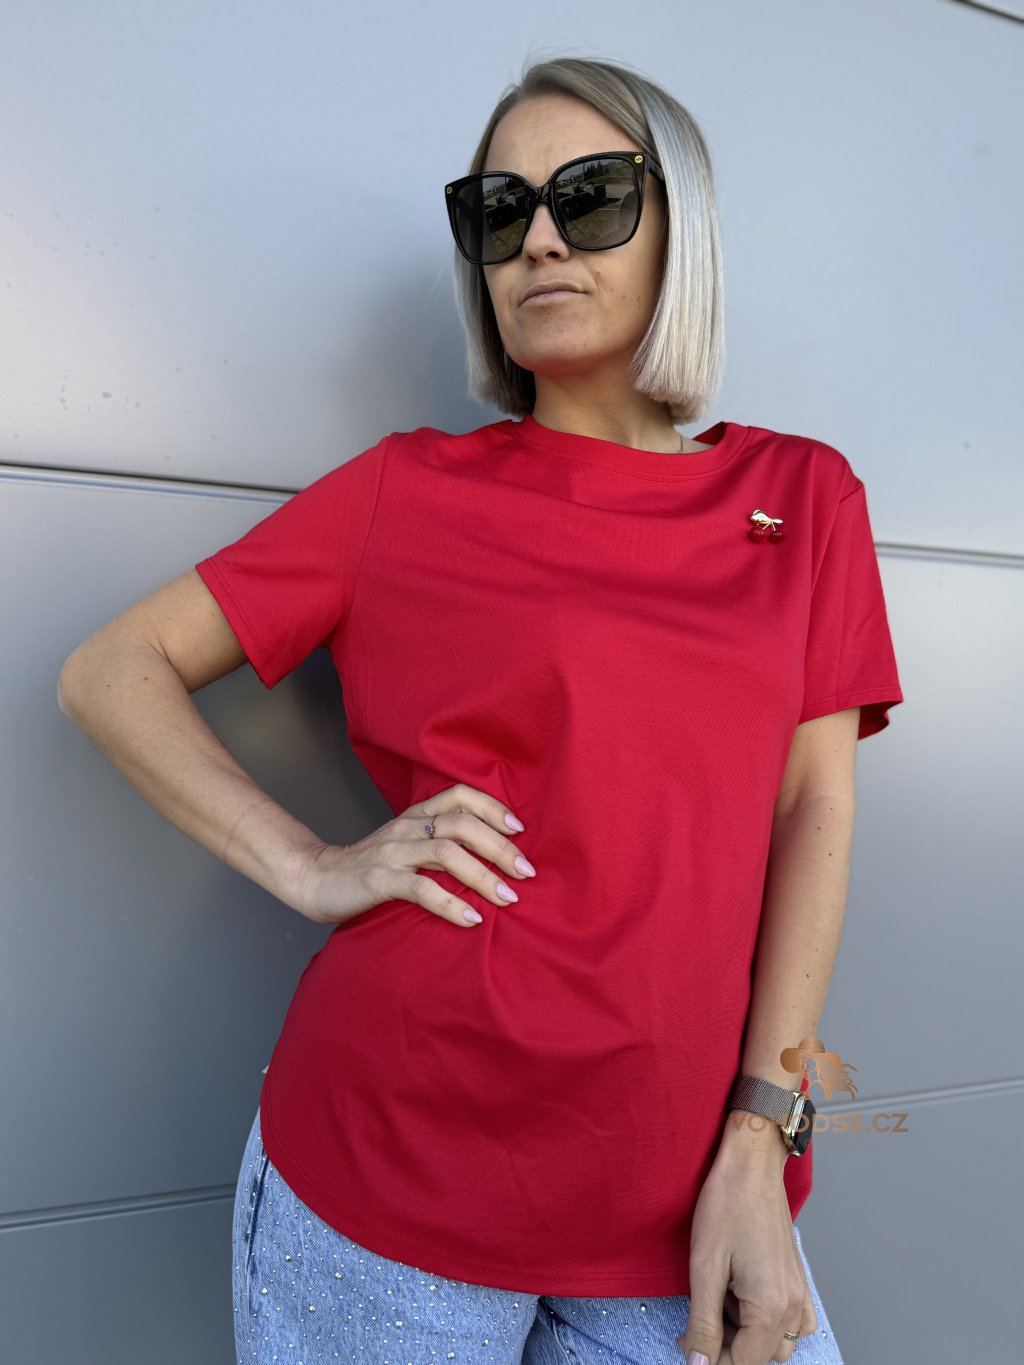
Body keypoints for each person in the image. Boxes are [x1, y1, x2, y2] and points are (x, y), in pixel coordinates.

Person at [57, 54, 903, 1365]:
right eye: (500, 212)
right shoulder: (406, 493)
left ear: (681, 224)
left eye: (591, 196)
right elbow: (113, 668)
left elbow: (814, 812)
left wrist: (764, 1131)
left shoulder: (803, 498)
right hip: (393, 1176)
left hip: (684, 1201)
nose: (541, 240)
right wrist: (308, 864)